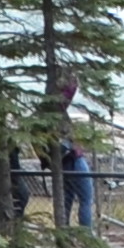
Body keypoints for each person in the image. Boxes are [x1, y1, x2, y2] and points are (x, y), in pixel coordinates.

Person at [46, 82, 98, 235]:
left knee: (67, 200)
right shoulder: (58, 111)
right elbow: (68, 93)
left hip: (62, 162)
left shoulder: (45, 113)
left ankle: (64, 232)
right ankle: (86, 234)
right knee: (86, 199)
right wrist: (72, 79)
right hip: (73, 159)